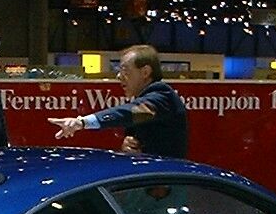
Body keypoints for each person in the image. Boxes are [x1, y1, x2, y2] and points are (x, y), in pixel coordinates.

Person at [49, 44, 188, 157]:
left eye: (124, 70)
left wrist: (82, 122)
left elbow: (129, 113)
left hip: (164, 186)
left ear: (145, 72)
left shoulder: (162, 96)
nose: (118, 76)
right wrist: (128, 145)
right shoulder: (147, 99)